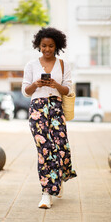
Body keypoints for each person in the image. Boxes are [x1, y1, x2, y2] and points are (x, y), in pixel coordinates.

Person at [22, 27, 77, 209]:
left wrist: (56, 85)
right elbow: (25, 91)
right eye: (44, 45)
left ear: (57, 46)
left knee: (61, 148)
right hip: (37, 109)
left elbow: (68, 89)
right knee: (45, 150)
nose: (47, 49)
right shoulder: (31, 65)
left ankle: (60, 176)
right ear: (38, 45)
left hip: (55, 107)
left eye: (51, 46)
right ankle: (46, 193)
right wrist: (35, 84)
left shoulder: (63, 64)